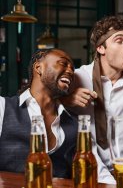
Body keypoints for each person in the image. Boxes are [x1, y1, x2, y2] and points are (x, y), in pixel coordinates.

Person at [61, 16, 123, 184]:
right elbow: (41, 103)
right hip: (87, 175)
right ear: (100, 48)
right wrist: (64, 100)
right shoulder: (77, 78)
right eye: (119, 41)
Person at [0, 49, 77, 178]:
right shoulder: (3, 107)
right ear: (38, 68)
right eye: (63, 64)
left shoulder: (74, 121)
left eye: (72, 69)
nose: (70, 71)